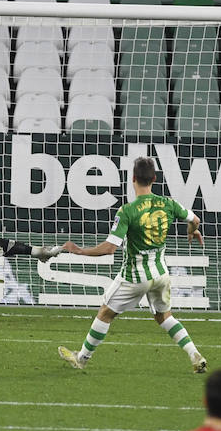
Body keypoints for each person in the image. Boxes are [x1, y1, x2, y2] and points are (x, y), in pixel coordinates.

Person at [56, 157, 207, 373]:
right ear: (154, 179)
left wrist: (80, 250)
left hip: (135, 276)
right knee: (164, 316)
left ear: (133, 178)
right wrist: (192, 231)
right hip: (161, 273)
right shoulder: (169, 203)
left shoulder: (127, 211)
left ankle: (82, 358)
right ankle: (194, 354)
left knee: (105, 313)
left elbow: (109, 248)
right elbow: (195, 220)